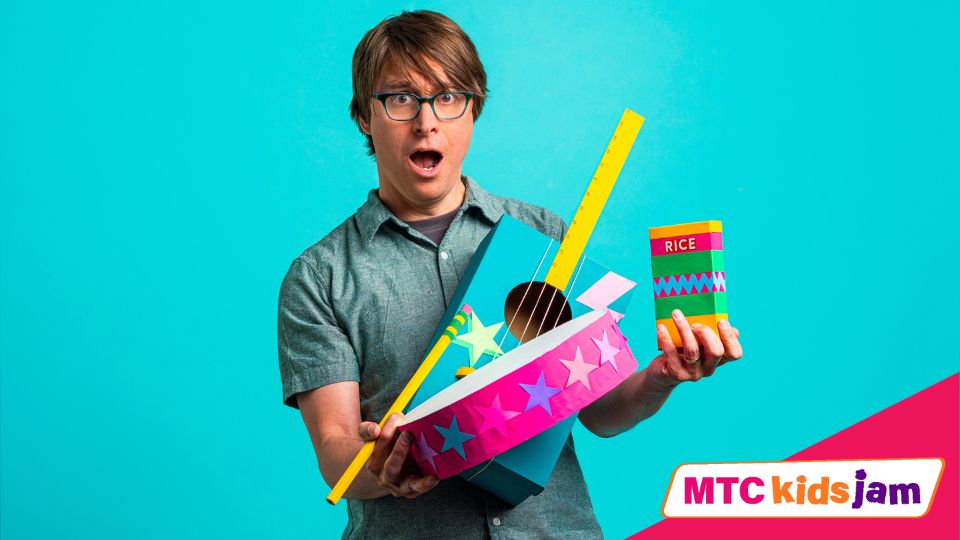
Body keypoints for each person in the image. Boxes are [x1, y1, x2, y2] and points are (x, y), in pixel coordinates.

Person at [277, 10, 743, 539]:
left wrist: (661, 377)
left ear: (473, 110)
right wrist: (381, 467)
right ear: (365, 115)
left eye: (448, 98)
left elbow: (597, 413)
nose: (426, 121)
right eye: (401, 98)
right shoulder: (319, 277)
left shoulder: (544, 234)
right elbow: (336, 451)